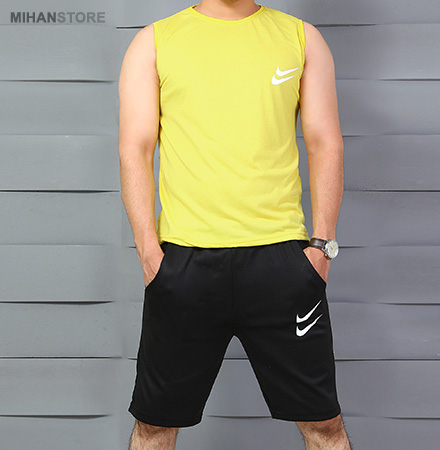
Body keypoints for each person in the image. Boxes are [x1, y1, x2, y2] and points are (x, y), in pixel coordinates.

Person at [118, 0, 351, 448]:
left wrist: (321, 246)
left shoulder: (302, 38)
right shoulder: (154, 41)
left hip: (281, 264)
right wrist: (148, 252)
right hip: (183, 264)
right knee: (154, 427)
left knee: (325, 426)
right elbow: (136, 147)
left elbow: (325, 142)